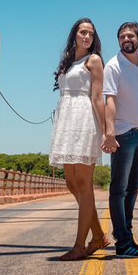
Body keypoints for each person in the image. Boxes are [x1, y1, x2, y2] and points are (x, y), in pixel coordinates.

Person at [48, 18, 110, 261]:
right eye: (83, 32)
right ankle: (98, 235)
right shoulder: (67, 60)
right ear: (74, 34)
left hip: (84, 121)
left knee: (84, 184)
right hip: (66, 123)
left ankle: (78, 246)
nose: (87, 37)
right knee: (72, 184)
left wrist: (106, 131)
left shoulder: (93, 61)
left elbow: (97, 97)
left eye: (91, 34)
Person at [102, 21, 138, 259]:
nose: (126, 39)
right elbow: (109, 101)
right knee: (119, 189)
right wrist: (109, 132)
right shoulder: (113, 66)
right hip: (123, 134)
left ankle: (127, 235)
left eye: (130, 35)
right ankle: (122, 243)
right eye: (122, 36)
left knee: (134, 188)